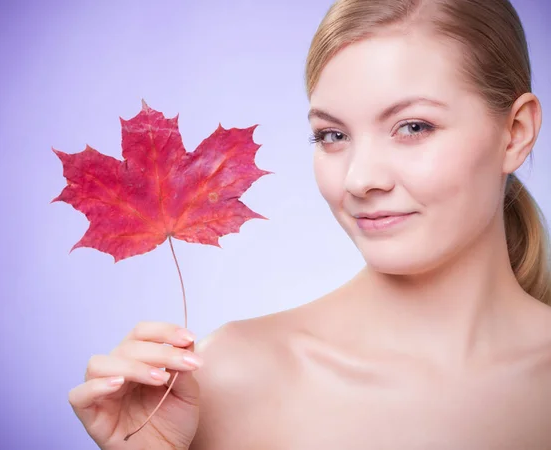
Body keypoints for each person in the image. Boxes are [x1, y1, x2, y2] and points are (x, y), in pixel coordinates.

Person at [68, 0, 551, 448]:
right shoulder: (225, 379)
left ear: (516, 133)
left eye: (413, 127)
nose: (360, 179)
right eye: (332, 135)